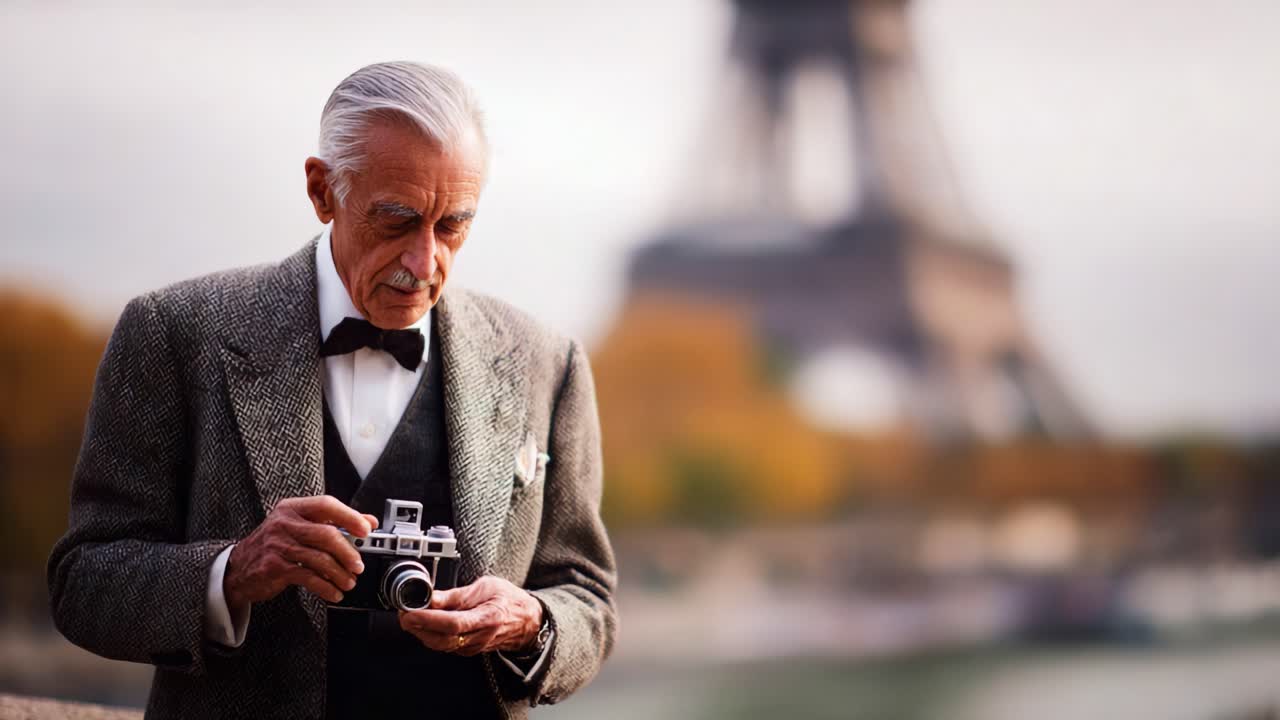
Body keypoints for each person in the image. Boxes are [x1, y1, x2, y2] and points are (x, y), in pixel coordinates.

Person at [47, 61, 616, 719]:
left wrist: (533, 621)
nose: (424, 261)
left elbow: (589, 599)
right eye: (396, 220)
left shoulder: (549, 363)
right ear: (322, 191)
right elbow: (82, 585)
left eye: (453, 224)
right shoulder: (172, 332)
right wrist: (235, 570)